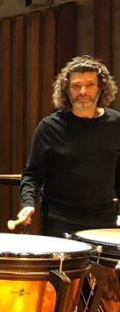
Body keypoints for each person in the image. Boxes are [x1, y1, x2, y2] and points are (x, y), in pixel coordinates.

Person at [17, 55, 120, 237]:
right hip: (60, 220)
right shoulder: (49, 127)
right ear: (66, 90)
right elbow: (32, 174)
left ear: (101, 87)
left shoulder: (116, 123)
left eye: (90, 85)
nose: (83, 91)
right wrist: (28, 204)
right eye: (76, 86)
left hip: (104, 218)